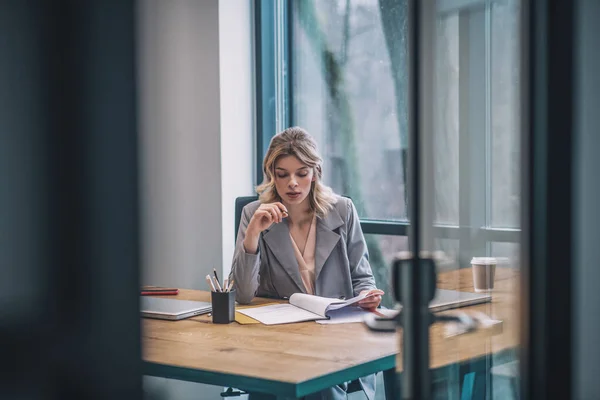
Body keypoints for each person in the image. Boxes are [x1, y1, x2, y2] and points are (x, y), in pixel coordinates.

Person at [231, 126, 384, 400]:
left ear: (315, 174)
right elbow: (242, 295)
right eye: (283, 174)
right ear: (271, 176)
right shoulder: (253, 214)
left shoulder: (342, 210)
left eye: (302, 173)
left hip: (335, 338)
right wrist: (253, 234)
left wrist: (365, 296)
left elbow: (363, 280)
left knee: (321, 379)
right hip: (281, 340)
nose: (293, 183)